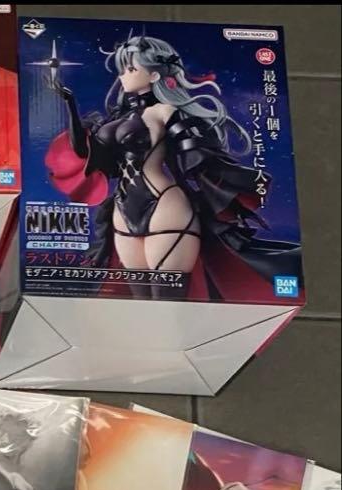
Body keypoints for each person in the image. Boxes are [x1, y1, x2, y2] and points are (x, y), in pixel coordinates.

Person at [44, 33, 301, 300]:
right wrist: (69, 102)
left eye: (131, 69)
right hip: (122, 210)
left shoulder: (165, 111)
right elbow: (85, 152)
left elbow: (196, 153)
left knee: (167, 299)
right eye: (122, 69)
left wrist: (223, 185)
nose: (122, 75)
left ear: (154, 75)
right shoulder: (117, 118)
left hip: (164, 203)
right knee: (139, 301)